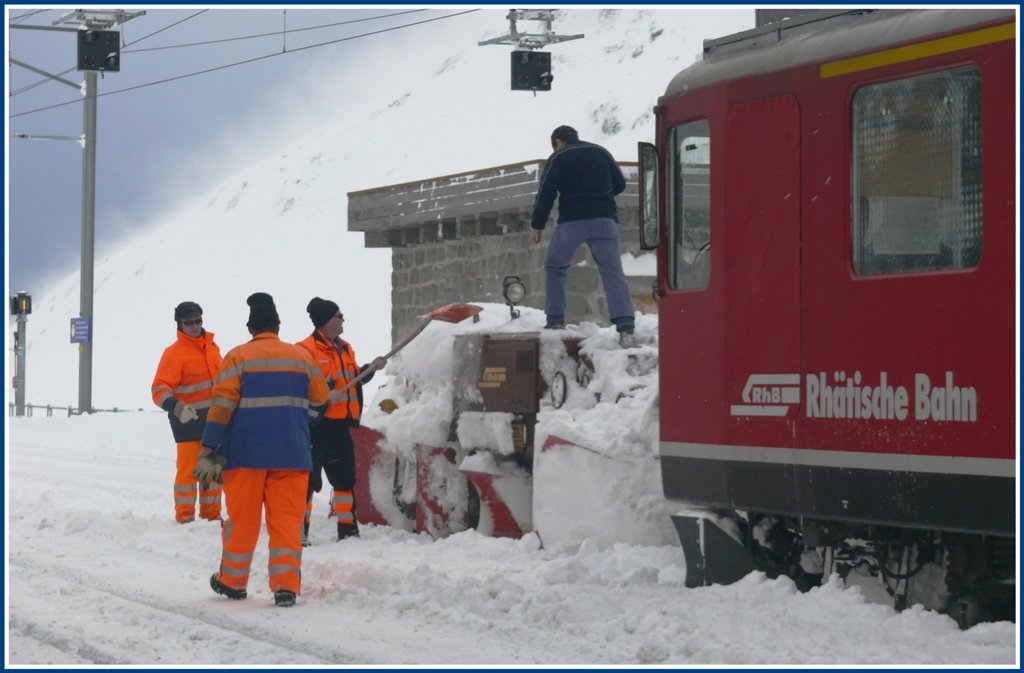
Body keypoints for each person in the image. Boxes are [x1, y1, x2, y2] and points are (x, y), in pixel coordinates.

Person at [195, 292, 329, 608]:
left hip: (245, 456)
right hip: (293, 455)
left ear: (251, 328)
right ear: (277, 326)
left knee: (243, 521)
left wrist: (208, 447)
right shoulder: (301, 357)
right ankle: (286, 587)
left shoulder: (237, 358)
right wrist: (299, 423)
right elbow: (321, 401)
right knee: (286, 524)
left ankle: (233, 581)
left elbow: (221, 408)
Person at [529, 125, 636, 337]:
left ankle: (555, 320)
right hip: (605, 220)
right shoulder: (601, 152)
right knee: (612, 271)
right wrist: (600, 196)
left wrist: (537, 225)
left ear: (558, 142)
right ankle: (625, 322)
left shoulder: (558, 158)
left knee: (555, 266)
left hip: (573, 221)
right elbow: (620, 184)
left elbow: (546, 194)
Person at [297, 297, 387, 544]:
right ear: (327, 321)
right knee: (307, 482)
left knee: (344, 480)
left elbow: (353, 379)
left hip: (340, 426)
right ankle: (299, 532)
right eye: (339, 315)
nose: (343, 319)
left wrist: (371, 368)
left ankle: (348, 530)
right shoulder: (305, 350)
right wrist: (323, 393)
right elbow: (298, 388)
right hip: (315, 427)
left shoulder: (345, 347)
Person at [151, 301, 223, 524]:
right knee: (189, 474)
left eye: (198, 320)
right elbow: (159, 388)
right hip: (187, 423)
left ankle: (211, 517)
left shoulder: (212, 348)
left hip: (213, 423)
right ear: (179, 325)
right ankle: (185, 518)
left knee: (212, 471)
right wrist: (176, 407)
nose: (194, 326)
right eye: (188, 322)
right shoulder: (174, 354)